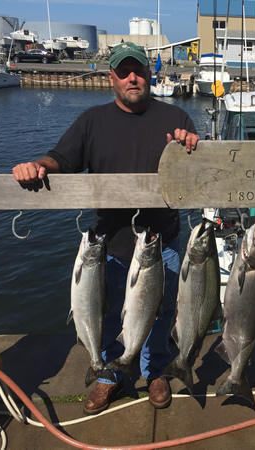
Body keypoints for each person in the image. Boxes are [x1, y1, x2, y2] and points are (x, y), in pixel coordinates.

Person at [12, 42, 200, 415]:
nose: (134, 78)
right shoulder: (91, 121)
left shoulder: (177, 117)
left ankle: (155, 370)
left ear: (150, 74)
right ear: (111, 77)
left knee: (160, 313)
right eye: (125, 71)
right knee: (108, 312)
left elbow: (198, 173)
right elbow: (61, 159)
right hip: (109, 244)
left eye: (140, 71)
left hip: (162, 239)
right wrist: (38, 165)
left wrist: (193, 148)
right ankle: (109, 374)